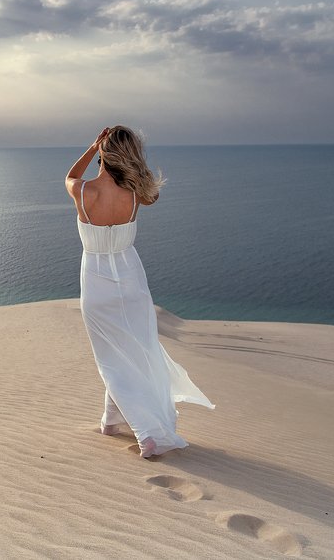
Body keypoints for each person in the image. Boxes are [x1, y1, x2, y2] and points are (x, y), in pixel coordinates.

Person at [65, 126, 214, 458]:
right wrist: (132, 162)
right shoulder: (137, 194)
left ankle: (147, 433)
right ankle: (109, 421)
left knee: (111, 359)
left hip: (96, 284)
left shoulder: (84, 191)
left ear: (103, 153)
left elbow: (69, 176)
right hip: (132, 283)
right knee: (129, 353)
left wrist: (92, 148)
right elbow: (150, 191)